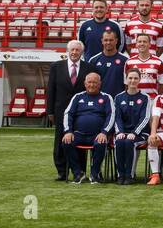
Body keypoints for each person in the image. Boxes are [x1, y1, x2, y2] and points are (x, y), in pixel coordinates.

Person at [47, 40, 98, 181]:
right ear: (68, 51)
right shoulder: (56, 67)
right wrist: (50, 111)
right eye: (72, 50)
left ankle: (80, 170)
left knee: (79, 140)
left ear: (82, 52)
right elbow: (51, 90)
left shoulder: (89, 68)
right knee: (60, 141)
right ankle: (61, 171)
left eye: (77, 50)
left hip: (81, 112)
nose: (75, 52)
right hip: (60, 111)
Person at [60, 72, 115, 184]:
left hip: (98, 134)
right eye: (89, 82)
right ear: (85, 83)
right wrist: (68, 131)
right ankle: (78, 173)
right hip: (79, 134)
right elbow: (68, 114)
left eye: (95, 82)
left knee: (101, 143)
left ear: (100, 84)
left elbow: (111, 115)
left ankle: (95, 174)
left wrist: (104, 132)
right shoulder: (78, 97)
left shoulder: (106, 97)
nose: (92, 85)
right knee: (66, 142)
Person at [111, 69, 151, 185]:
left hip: (139, 134)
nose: (132, 81)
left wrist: (135, 132)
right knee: (119, 142)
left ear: (139, 80)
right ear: (126, 79)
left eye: (135, 78)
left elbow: (145, 118)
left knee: (129, 143)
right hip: (123, 132)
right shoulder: (118, 97)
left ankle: (129, 175)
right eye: (130, 78)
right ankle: (120, 175)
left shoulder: (145, 98)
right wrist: (120, 132)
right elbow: (116, 117)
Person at [87, 29, 128, 97]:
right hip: (99, 100)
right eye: (106, 40)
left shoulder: (125, 60)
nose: (108, 42)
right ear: (102, 41)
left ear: (116, 41)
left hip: (118, 100)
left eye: (111, 40)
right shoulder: (93, 60)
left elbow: (128, 83)